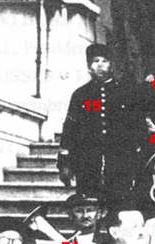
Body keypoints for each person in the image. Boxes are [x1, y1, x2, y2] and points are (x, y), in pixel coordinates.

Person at [59, 44, 144, 209]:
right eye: (95, 61)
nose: (100, 65)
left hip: (120, 162)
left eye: (104, 61)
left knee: (119, 207)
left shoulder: (127, 93)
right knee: (89, 206)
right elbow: (70, 128)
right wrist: (65, 164)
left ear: (111, 65)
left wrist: (137, 162)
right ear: (88, 67)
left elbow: (137, 128)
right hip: (88, 162)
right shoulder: (80, 95)